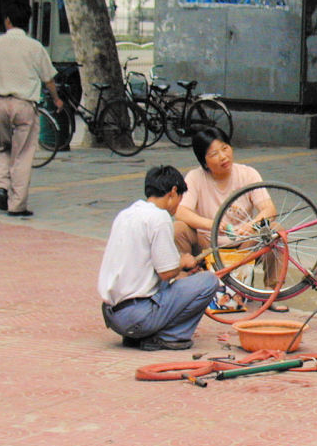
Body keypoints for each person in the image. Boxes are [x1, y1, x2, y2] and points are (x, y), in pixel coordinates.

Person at [98, 165, 218, 351]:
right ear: (173, 192)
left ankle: (139, 333)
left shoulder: (127, 214)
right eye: (180, 198)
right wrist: (184, 262)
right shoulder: (159, 217)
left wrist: (180, 269)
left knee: (179, 282)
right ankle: (168, 336)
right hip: (135, 316)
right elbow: (167, 272)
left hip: (114, 315)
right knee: (209, 281)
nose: (179, 205)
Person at [173, 127, 288, 312]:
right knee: (178, 228)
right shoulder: (195, 177)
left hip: (244, 243)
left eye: (225, 148)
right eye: (214, 154)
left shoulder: (247, 174)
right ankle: (183, 288)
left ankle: (271, 293)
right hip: (208, 243)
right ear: (204, 161)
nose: (223, 157)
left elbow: (269, 209)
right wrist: (214, 225)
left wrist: (252, 225)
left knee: (275, 230)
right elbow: (181, 212)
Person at [0, 0, 64, 217]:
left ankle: (2, 184)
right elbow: (48, 79)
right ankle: (17, 205)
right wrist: (57, 99)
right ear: (28, 22)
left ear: (7, 21)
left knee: (3, 146)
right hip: (24, 105)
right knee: (23, 154)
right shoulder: (35, 47)